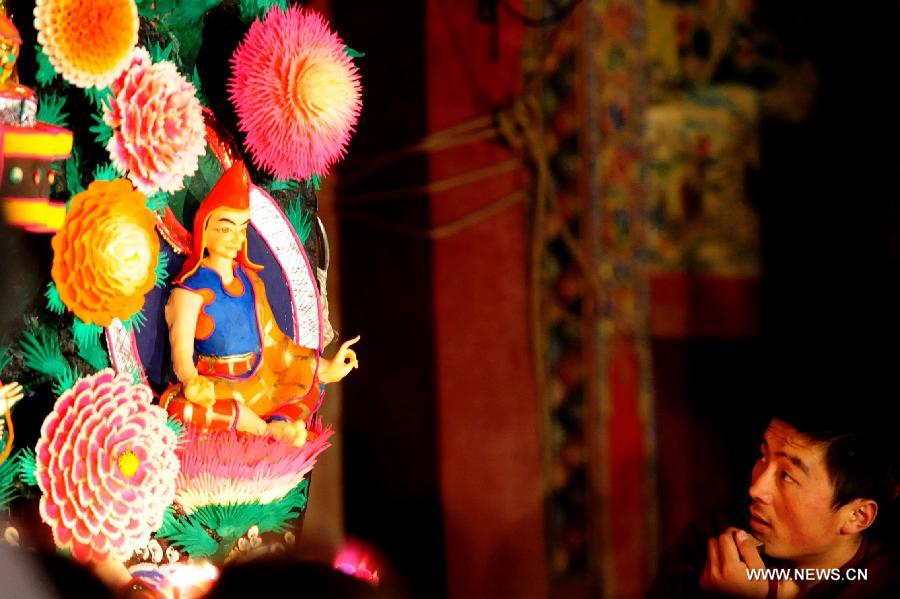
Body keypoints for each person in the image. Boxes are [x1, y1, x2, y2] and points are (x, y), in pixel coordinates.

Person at [160, 162, 358, 444]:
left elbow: (277, 343)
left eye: (241, 229)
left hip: (260, 377)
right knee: (179, 410)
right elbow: (181, 352)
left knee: (310, 384)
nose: (236, 239)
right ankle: (265, 429)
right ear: (205, 227)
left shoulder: (252, 281)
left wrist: (323, 366)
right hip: (217, 387)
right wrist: (191, 381)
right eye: (225, 229)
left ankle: (278, 422)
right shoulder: (191, 289)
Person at [647, 404, 900, 598]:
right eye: (763, 456)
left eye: (787, 476)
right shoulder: (713, 537)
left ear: (857, 516)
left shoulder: (885, 581)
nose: (756, 489)